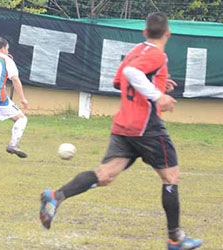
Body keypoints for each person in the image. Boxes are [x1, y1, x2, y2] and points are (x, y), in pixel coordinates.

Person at [37, 13, 202, 250]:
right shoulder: (157, 54)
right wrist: (158, 95)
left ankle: (56, 196)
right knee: (170, 178)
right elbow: (132, 74)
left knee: (104, 175)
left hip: (123, 125)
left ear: (145, 32)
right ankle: (175, 238)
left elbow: (120, 81)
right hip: (147, 126)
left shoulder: (135, 52)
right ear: (168, 33)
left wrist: (156, 82)